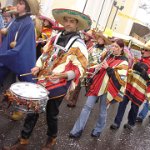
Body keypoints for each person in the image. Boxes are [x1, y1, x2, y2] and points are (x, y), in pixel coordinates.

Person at [2, 8, 92, 150]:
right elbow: (45, 55)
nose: (68, 23)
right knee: (34, 110)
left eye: (72, 21)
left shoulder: (79, 44)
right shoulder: (56, 37)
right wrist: (38, 66)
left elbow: (81, 67)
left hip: (60, 84)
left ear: (77, 25)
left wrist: (64, 75)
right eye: (66, 20)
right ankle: (23, 140)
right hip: (44, 79)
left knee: (51, 114)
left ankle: (52, 138)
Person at [69, 39, 128, 138]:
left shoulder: (124, 62)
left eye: (116, 47)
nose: (113, 48)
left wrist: (108, 68)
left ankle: (98, 130)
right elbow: (100, 65)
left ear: (121, 48)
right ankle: (77, 130)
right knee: (86, 107)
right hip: (97, 85)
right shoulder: (108, 56)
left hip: (108, 89)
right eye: (113, 46)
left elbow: (119, 80)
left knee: (102, 111)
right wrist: (98, 68)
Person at [0, 0, 39, 120]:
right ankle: (5, 99)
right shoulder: (15, 20)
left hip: (21, 57)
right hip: (8, 55)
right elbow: (7, 37)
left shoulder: (28, 24)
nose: (18, 5)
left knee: (25, 82)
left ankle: (20, 109)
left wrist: (6, 54)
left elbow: (22, 46)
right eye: (18, 2)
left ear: (27, 7)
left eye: (21, 3)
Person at [110, 39, 150, 130]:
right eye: (143, 49)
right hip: (130, 85)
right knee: (122, 103)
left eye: (146, 50)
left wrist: (143, 72)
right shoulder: (139, 60)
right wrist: (131, 70)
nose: (143, 51)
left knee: (134, 106)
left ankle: (130, 123)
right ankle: (116, 122)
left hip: (140, 88)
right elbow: (131, 70)